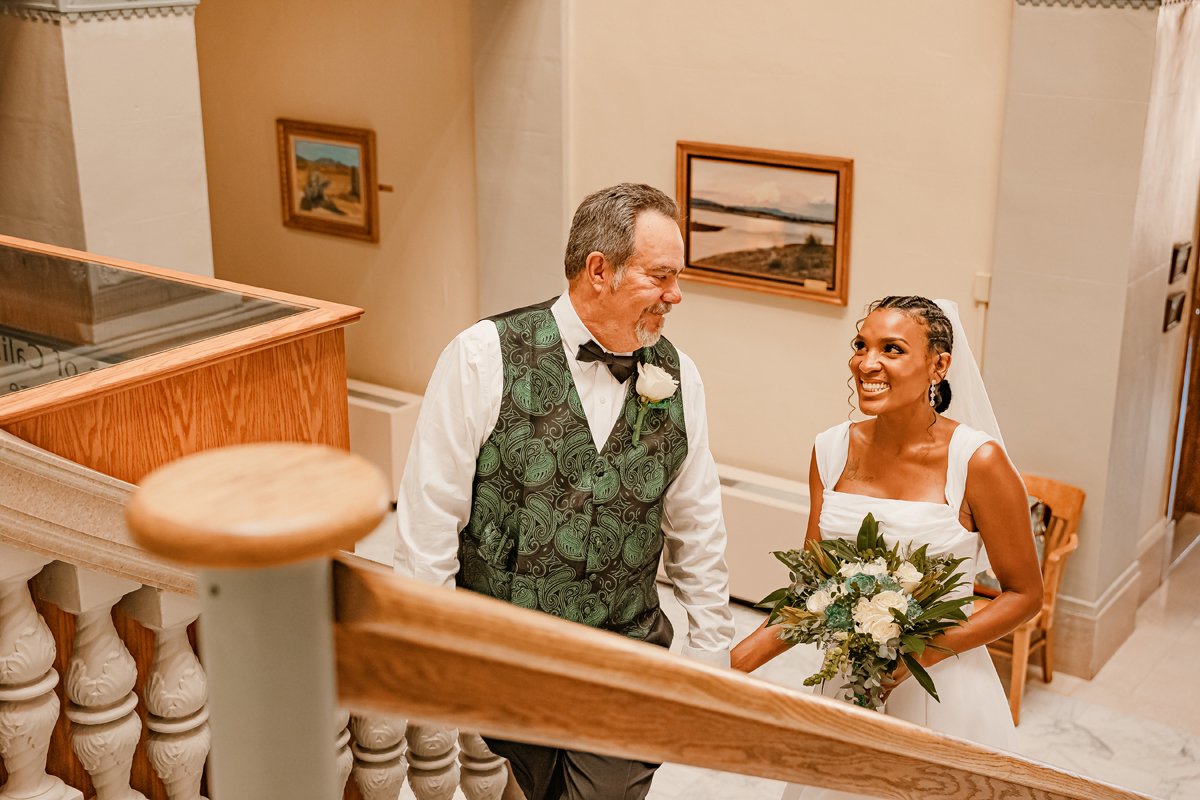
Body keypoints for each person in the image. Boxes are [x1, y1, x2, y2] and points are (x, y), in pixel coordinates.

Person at [394, 182, 735, 800]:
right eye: (660, 276)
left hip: (627, 652)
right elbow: (431, 516)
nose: (675, 295)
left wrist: (710, 657)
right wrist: (436, 652)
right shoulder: (481, 356)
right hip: (510, 654)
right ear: (598, 270)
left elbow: (697, 523)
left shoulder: (679, 376)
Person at [730, 295, 1043, 800]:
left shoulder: (978, 462)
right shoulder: (830, 450)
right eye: (861, 345)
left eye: (892, 349)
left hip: (942, 690)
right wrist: (730, 667)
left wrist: (913, 655)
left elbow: (1024, 595)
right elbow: (814, 588)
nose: (866, 363)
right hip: (851, 682)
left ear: (939, 365)